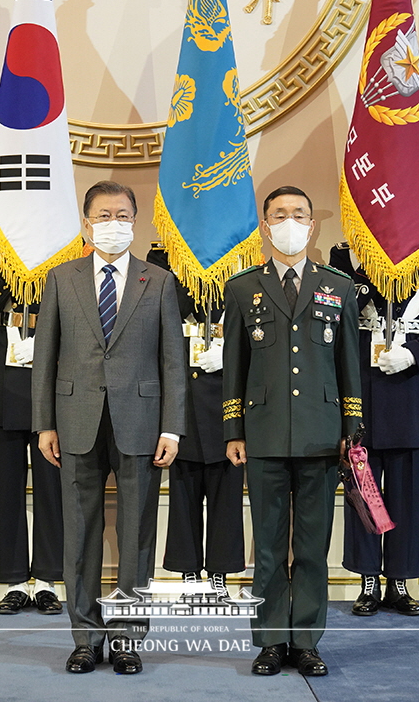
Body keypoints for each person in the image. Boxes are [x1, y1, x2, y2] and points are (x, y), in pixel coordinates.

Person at [32, 180, 187, 675]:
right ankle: (85, 637)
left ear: (135, 222)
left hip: (142, 424)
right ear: (86, 222)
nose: (113, 224)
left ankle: (126, 637)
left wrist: (173, 428)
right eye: (103, 215)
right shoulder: (61, 278)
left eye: (122, 215)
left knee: (137, 534)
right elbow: (45, 357)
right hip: (75, 421)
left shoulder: (158, 281)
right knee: (79, 533)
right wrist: (44, 424)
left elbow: (173, 362)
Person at [223, 186, 361, 677]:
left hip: (323, 436)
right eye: (279, 214)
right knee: (266, 547)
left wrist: (353, 427)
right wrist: (232, 429)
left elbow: (349, 366)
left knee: (311, 547)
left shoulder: (339, 287)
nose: (289, 221)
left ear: (312, 224)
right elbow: (233, 366)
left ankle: (305, 640)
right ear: (264, 224)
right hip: (261, 435)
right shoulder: (241, 288)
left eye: (299, 214)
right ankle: (269, 641)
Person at [330, 244, 419, 617]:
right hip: (361, 381)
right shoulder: (345, 255)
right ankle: (368, 579)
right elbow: (337, 314)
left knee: (405, 492)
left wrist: (417, 352)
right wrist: (368, 268)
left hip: (408, 384)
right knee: (362, 488)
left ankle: (399, 581)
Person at [0, 236, 64, 614]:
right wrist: (13, 261)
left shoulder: (63, 235)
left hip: (54, 361)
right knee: (4, 484)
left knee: (52, 483)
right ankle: (14, 581)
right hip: (3, 364)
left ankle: (47, 580)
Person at [146, 244, 245, 597]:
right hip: (183, 391)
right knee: (183, 491)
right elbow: (170, 305)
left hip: (226, 394)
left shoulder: (243, 254)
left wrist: (230, 353)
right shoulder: (163, 256)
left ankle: (219, 572)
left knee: (227, 493)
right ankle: (189, 572)